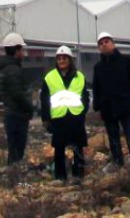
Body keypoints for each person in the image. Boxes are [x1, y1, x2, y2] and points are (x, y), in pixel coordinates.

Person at [89, 31, 130, 167]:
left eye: (106, 42)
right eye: (100, 43)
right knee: (113, 139)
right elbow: (96, 88)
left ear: (113, 44)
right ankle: (119, 165)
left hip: (125, 105)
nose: (104, 45)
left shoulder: (126, 61)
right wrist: (98, 106)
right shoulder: (98, 67)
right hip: (108, 108)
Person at [39, 45, 89, 181]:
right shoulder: (50, 77)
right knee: (59, 149)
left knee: (78, 147)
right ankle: (60, 177)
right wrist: (45, 118)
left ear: (69, 60)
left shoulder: (79, 76)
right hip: (59, 118)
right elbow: (44, 99)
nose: (62, 61)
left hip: (76, 117)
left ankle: (78, 175)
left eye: (64, 58)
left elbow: (85, 96)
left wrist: (84, 111)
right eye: (59, 58)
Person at [0, 32, 35, 168]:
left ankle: (12, 177)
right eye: (21, 49)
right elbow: (17, 94)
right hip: (17, 115)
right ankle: (15, 179)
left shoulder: (5, 68)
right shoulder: (12, 70)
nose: (23, 53)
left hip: (11, 114)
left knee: (14, 151)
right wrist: (30, 107)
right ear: (16, 50)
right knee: (17, 151)